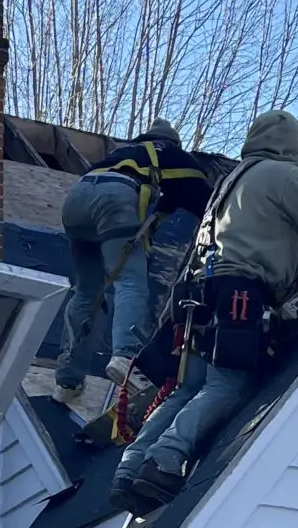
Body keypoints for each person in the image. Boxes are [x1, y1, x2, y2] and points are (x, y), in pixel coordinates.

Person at [110, 108, 298, 512]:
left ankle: (130, 468)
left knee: (188, 387)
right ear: (293, 147)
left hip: (199, 298)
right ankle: (164, 460)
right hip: (239, 295)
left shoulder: (233, 183)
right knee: (227, 385)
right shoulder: (282, 176)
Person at [53, 123, 216, 400]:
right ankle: (125, 357)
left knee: (87, 290)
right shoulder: (172, 154)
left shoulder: (124, 152)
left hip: (76, 199)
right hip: (113, 199)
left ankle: (67, 380)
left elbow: (166, 196)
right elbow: (204, 198)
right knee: (130, 281)